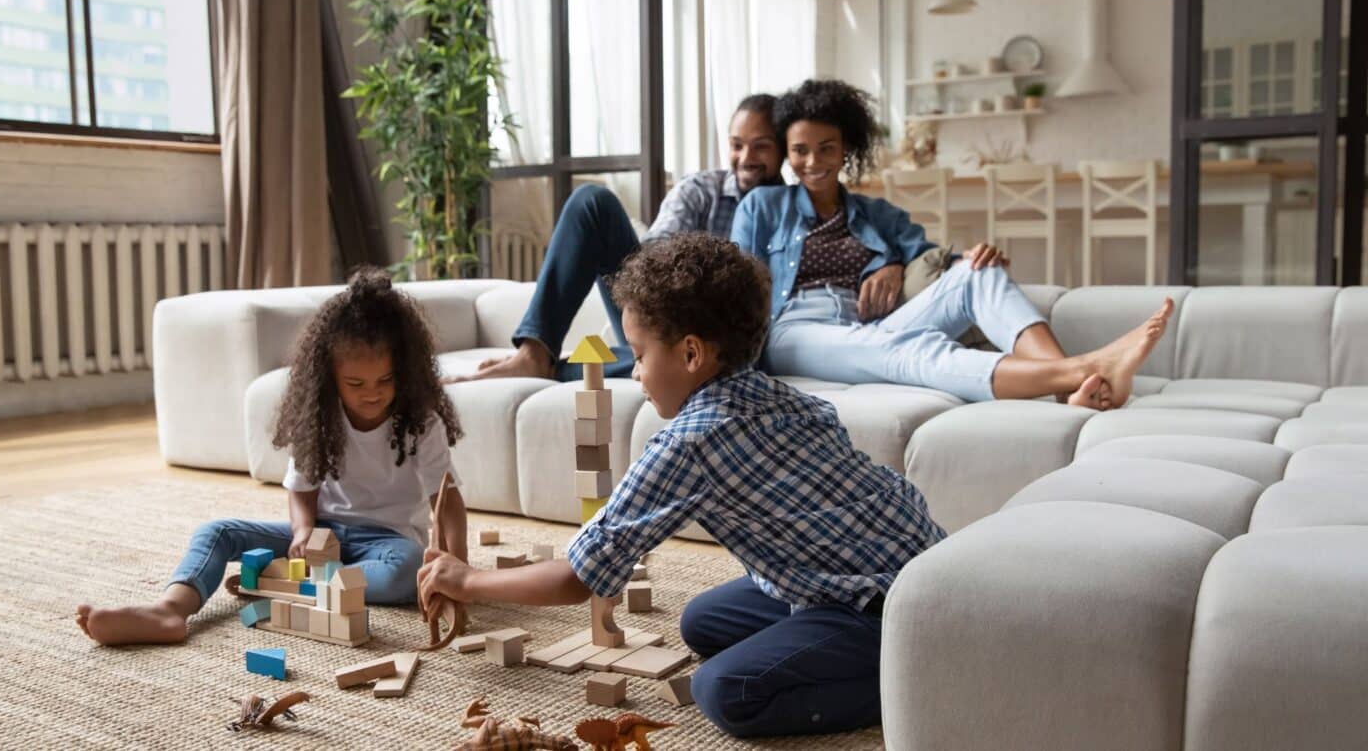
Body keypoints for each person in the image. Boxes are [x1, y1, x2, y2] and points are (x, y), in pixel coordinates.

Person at [418, 233, 946, 738]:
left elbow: (582, 578)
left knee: (725, 691)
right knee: (702, 622)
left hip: (888, 607)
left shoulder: (690, 442)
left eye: (640, 354)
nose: (634, 375)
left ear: (691, 355)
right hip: (901, 561)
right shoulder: (777, 394)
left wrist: (467, 583)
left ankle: (911, 678)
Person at [76, 269, 468, 645]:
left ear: (406, 371)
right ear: (329, 378)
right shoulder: (319, 418)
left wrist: (458, 570)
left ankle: (280, 582)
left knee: (407, 568)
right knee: (217, 533)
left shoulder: (421, 423)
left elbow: (446, 500)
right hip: (320, 533)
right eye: (355, 383)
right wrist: (302, 531)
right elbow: (301, 489)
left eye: (386, 380)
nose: (372, 393)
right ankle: (170, 609)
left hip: (386, 543)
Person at [732, 79, 1174, 408]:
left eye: (826, 149)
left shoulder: (873, 213)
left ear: (846, 150)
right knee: (908, 352)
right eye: (800, 150)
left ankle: (1067, 391)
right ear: (788, 154)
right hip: (795, 331)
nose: (813, 162)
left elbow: (933, 257)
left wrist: (945, 261)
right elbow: (736, 291)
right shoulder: (762, 207)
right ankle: (1083, 369)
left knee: (978, 272)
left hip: (862, 329)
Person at [453, 94, 785, 383]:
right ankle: (535, 352)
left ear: (782, 150)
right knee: (592, 202)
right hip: (664, 307)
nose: (746, 157)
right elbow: (655, 258)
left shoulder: (793, 209)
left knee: (724, 360)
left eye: (761, 146)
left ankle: (577, 368)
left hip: (724, 340)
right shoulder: (700, 191)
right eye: (737, 145)